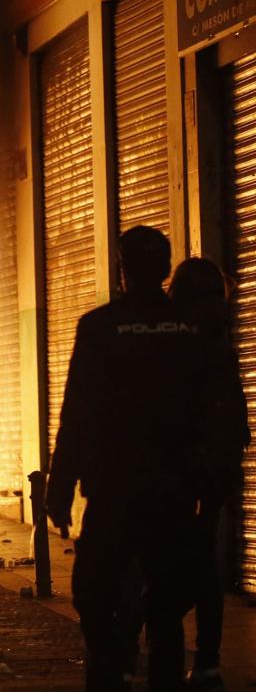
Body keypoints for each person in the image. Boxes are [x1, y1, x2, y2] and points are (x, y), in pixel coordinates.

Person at [47, 226, 207, 691]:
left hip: (115, 489)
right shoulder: (192, 329)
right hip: (174, 491)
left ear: (122, 269)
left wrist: (60, 486)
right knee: (168, 600)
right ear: (164, 269)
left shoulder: (99, 327)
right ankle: (163, 676)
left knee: (95, 592)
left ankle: (110, 666)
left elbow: (77, 413)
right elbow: (211, 407)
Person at [169, 257, 251, 688]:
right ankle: (208, 659)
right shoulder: (220, 338)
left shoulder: (176, 338)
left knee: (183, 561)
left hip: (183, 470)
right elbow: (234, 412)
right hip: (215, 469)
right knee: (204, 563)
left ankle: (164, 632)